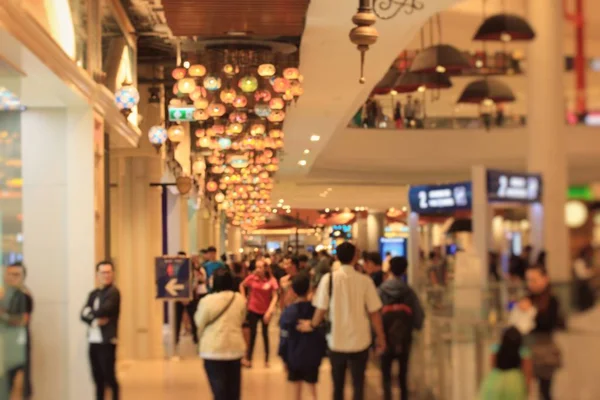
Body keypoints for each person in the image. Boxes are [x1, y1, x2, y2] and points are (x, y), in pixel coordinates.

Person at [299, 242, 386, 400]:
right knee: (358, 384)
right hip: (361, 341)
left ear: (337, 257)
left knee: (337, 386)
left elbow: (321, 309)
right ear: (355, 257)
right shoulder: (365, 281)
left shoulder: (328, 279)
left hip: (336, 341)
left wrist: (311, 325)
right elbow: (374, 313)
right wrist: (381, 337)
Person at [194, 267, 246, 400]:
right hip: (234, 348)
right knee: (233, 392)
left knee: (219, 392)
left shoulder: (206, 301)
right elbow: (241, 319)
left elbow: (199, 322)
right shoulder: (239, 299)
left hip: (212, 349)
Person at [378, 257, 424, 400]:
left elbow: (374, 314)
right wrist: (415, 327)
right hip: (404, 337)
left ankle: (387, 396)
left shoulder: (381, 291)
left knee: (386, 374)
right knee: (403, 374)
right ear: (405, 270)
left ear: (390, 269)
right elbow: (419, 316)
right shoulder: (409, 292)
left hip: (384, 336)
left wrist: (376, 335)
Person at [518, 265, 564, 400]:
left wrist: (531, 312)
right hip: (526, 349)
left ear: (545, 279)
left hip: (545, 352)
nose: (530, 284)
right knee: (524, 389)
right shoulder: (527, 298)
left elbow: (548, 324)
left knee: (545, 391)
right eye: (528, 280)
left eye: (534, 280)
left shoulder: (552, 300)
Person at [279, 274, 327, 400]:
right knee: (312, 389)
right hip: (312, 356)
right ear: (309, 289)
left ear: (293, 291)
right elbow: (322, 335)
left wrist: (284, 357)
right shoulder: (316, 312)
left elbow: (284, 338)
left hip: (293, 356)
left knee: (296, 391)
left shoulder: (288, 313)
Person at [80, 261, 121, 400]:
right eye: (103, 272)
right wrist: (94, 320)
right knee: (97, 378)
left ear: (113, 274)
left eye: (108, 272)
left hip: (107, 341)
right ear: (97, 275)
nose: (106, 275)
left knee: (109, 377)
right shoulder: (94, 293)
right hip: (93, 340)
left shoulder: (114, 293)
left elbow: (104, 310)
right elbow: (82, 314)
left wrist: (91, 314)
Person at [240, 259, 279, 368]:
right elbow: (242, 285)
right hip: (253, 309)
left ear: (265, 268)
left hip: (265, 311)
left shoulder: (271, 280)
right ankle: (249, 358)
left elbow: (275, 296)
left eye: (260, 267)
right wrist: (244, 297)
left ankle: (267, 360)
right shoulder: (252, 278)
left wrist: (270, 310)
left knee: (265, 334)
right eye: (256, 267)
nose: (258, 270)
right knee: (252, 335)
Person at [1, 262, 32, 399]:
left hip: (18, 346)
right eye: (10, 274)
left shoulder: (24, 296)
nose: (12, 278)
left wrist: (3, 316)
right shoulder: (6, 295)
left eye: (16, 274)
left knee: (20, 384)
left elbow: (23, 321)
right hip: (7, 345)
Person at [479, 327, 532, 400]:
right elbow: (527, 371)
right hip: (515, 381)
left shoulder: (496, 349)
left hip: (496, 378)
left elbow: (492, 364)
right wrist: (528, 387)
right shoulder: (523, 351)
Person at [174, 251, 199, 348]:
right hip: (178, 299)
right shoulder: (174, 270)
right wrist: (181, 297)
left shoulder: (191, 269)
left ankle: (196, 338)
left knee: (193, 319)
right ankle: (175, 339)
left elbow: (194, 282)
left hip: (190, 298)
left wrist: (188, 295)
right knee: (176, 320)